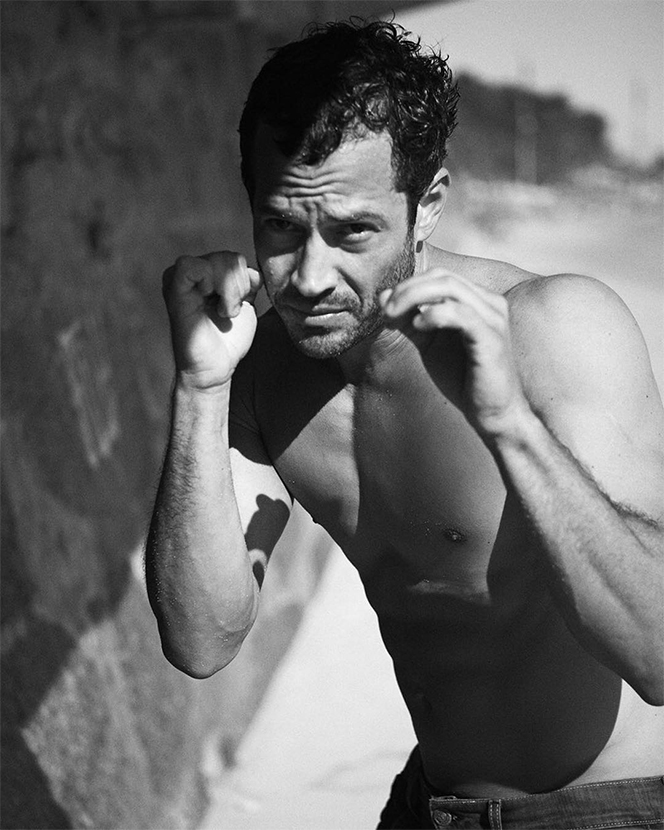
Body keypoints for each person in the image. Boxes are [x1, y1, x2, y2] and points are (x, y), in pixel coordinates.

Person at [145, 19, 664, 829]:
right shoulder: (261, 372)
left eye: (352, 230)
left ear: (428, 208)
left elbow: (658, 653)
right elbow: (201, 641)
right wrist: (200, 387)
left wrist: (511, 426)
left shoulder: (554, 328)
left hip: (606, 807)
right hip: (431, 802)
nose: (309, 277)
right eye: (281, 226)